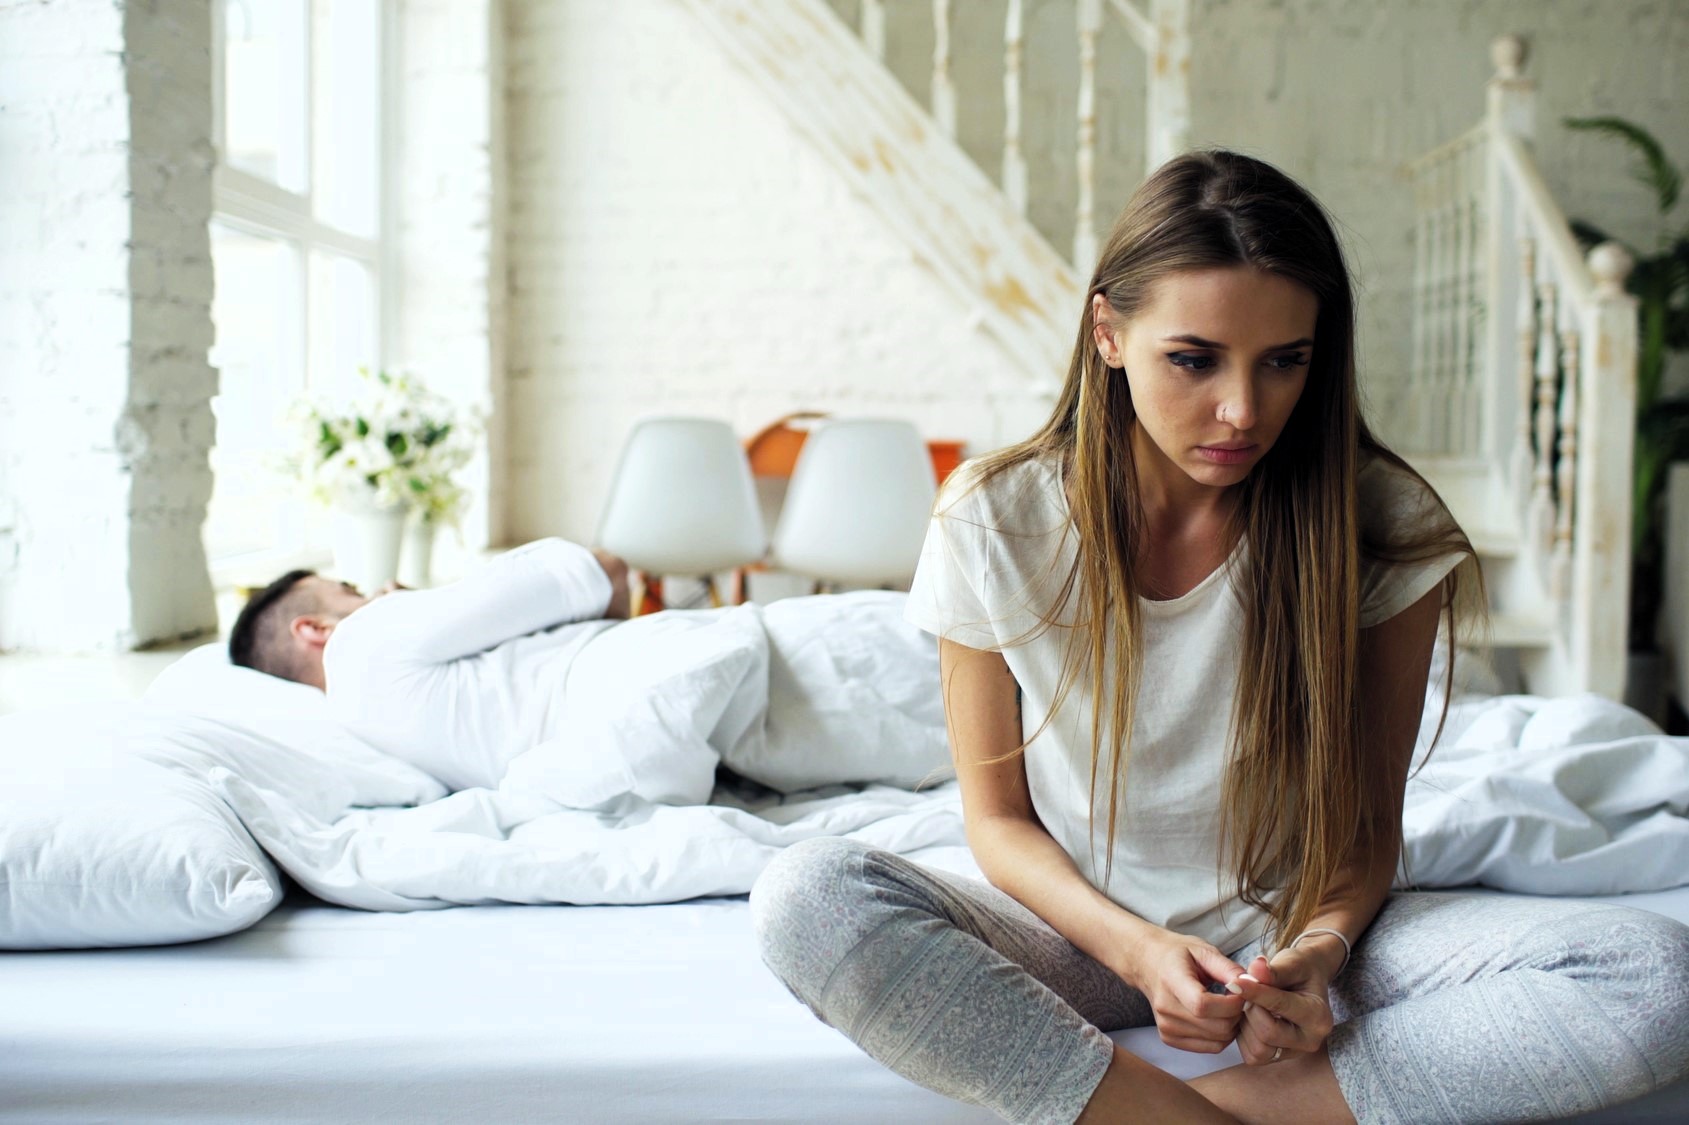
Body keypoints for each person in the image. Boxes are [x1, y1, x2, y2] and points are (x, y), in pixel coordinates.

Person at [749, 150, 1689, 1124]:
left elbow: (1365, 827)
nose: (1244, 411)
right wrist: (1140, 950)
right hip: (1078, 936)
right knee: (807, 895)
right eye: (1194, 360)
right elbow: (998, 823)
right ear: (1108, 333)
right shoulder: (996, 519)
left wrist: (1316, 957)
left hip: (1295, 948)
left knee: (1658, 978)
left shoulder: (1383, 523)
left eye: (1285, 361)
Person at [229, 538, 632, 790]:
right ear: (316, 628)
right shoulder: (361, 640)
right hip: (644, 679)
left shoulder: (363, 733)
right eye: (351, 592)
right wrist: (414, 602)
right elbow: (606, 569)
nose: (377, 592)